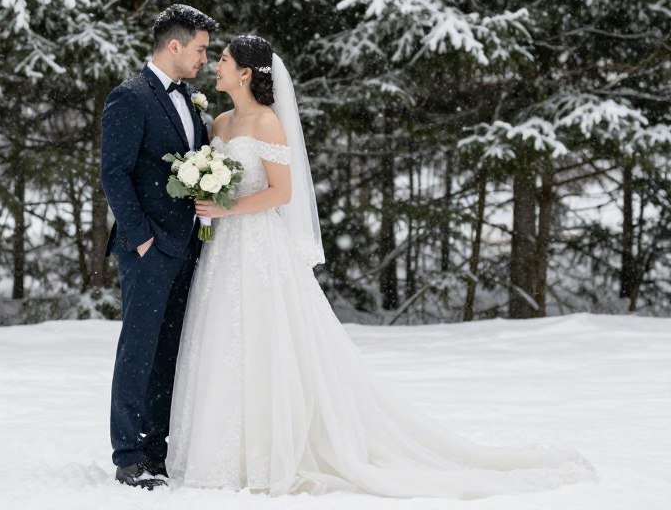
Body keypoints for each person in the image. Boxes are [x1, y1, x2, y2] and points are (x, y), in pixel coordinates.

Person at [165, 34, 594, 497]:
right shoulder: (221, 122)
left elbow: (281, 193)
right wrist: (208, 195)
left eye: (223, 60)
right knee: (223, 338)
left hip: (258, 247)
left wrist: (227, 208)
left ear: (245, 73)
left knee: (268, 340)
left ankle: (274, 450)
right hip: (223, 249)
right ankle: (221, 450)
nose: (216, 65)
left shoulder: (268, 122)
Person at [100, 4, 217, 490]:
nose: (204, 60)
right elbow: (114, 173)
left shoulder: (191, 97)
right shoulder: (129, 97)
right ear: (175, 45)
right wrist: (142, 237)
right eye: (201, 49)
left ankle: (156, 449)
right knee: (139, 348)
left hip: (188, 246)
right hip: (149, 247)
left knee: (171, 350)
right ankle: (128, 452)